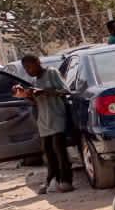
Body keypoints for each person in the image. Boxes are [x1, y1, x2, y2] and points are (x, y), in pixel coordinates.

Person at [13, 54, 74, 194]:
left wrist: (45, 91)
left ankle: (66, 180)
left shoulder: (51, 72)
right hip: (44, 121)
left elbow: (65, 91)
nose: (28, 70)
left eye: (30, 66)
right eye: (25, 68)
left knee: (60, 150)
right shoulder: (35, 81)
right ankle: (51, 180)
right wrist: (26, 95)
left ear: (38, 62)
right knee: (48, 153)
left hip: (57, 118)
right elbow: (37, 102)